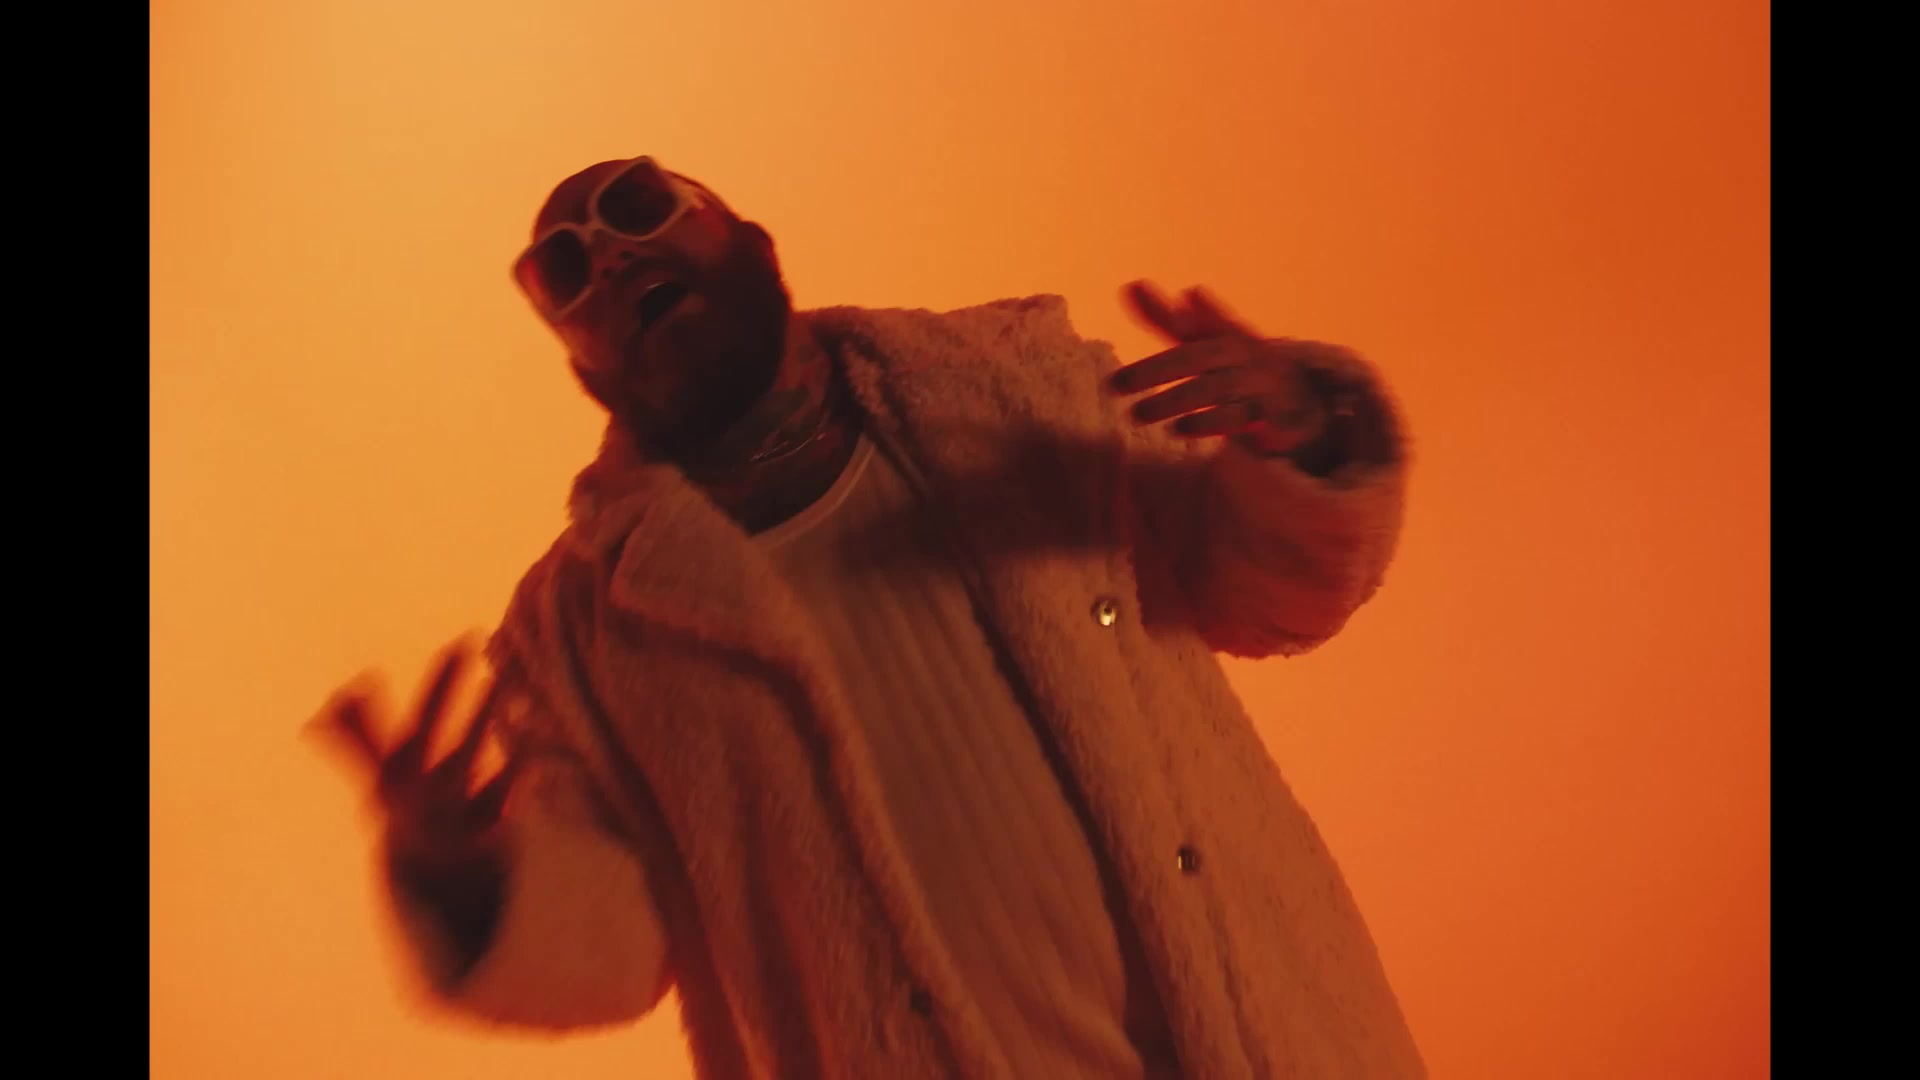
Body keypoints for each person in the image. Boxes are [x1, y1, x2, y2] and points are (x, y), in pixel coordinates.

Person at [316, 156, 1424, 1078]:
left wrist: (1314, 434)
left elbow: (1279, 598)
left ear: (752, 241)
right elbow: (614, 939)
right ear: (584, 370)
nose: (607, 256)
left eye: (639, 207)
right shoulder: (585, 636)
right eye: (563, 270)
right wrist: (460, 875)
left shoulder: (1019, 392)